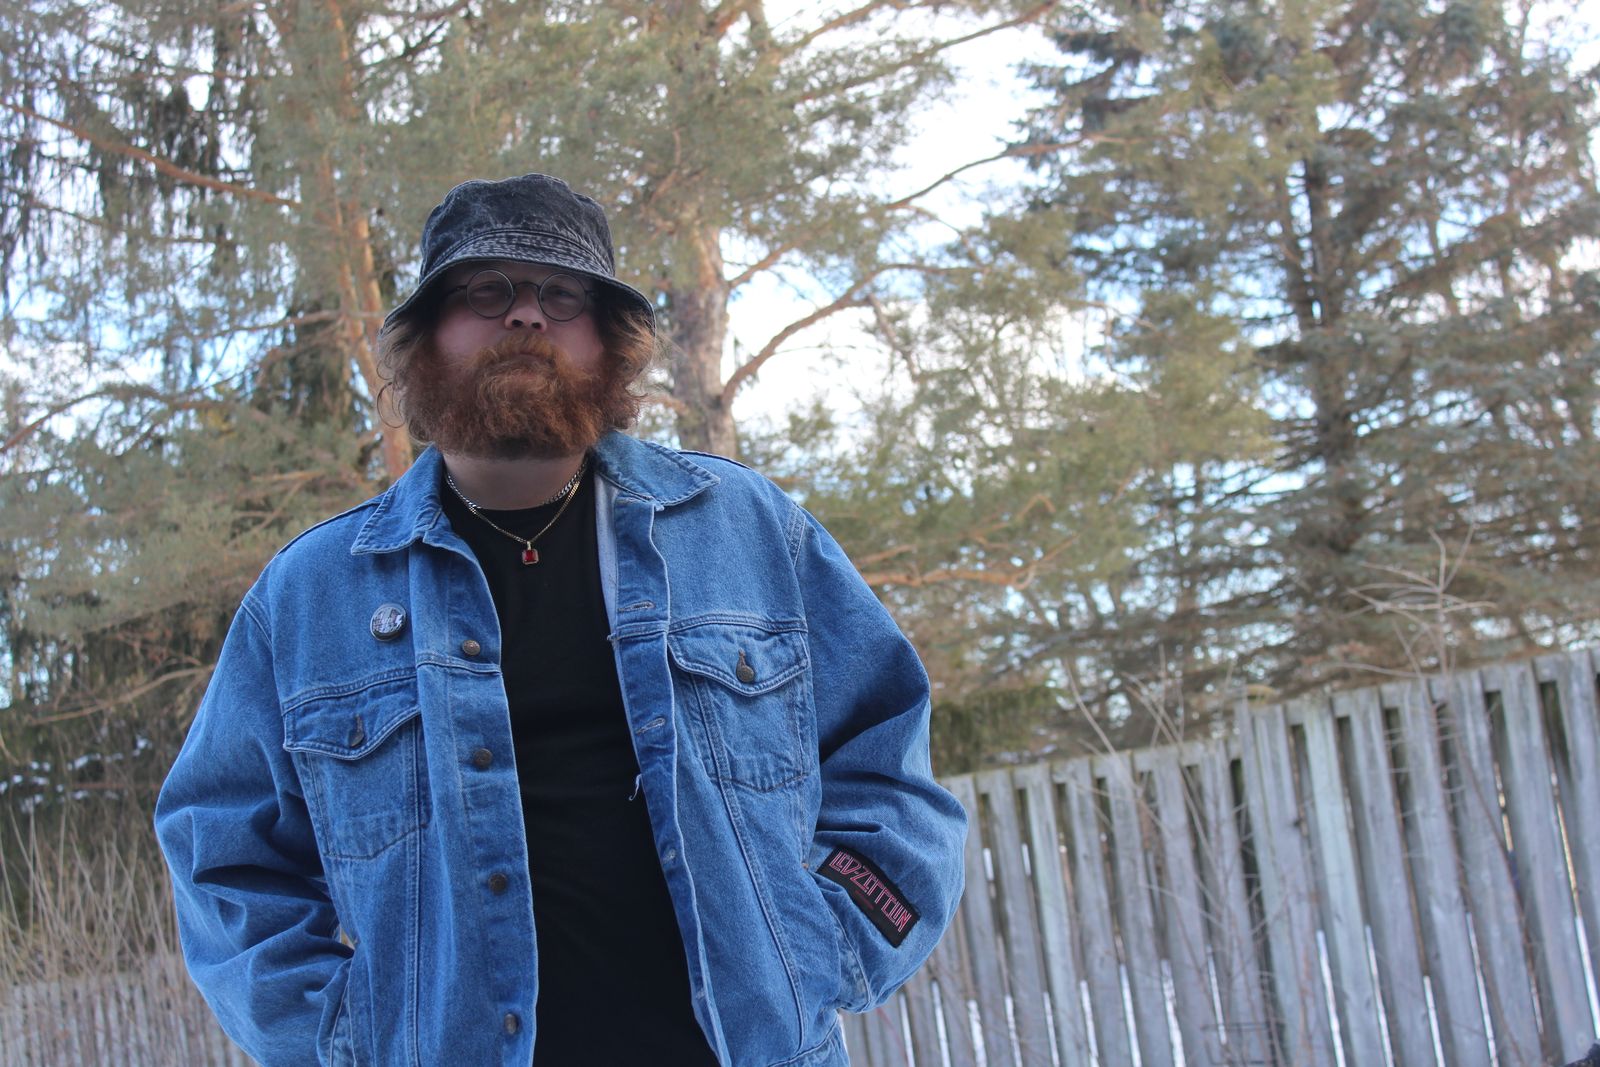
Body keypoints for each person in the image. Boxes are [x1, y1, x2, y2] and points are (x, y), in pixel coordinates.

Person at [155, 172, 968, 1067]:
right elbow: (222, 854)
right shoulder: (309, 597)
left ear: (609, 338)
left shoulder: (746, 529)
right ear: (424, 338)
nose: (525, 315)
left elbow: (889, 763)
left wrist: (823, 950)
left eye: (562, 295)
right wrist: (347, 1035)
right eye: (485, 291)